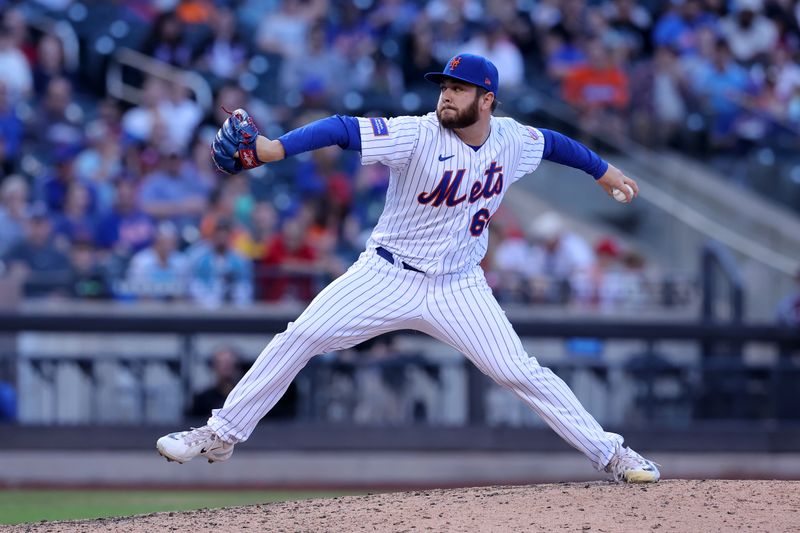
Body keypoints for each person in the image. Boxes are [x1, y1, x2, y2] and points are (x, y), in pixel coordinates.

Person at [157, 53, 659, 483]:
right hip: (386, 275)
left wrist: (605, 171)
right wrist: (273, 149)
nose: (446, 95)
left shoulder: (511, 139)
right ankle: (219, 434)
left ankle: (613, 455)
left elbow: (555, 143)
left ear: (487, 100)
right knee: (300, 336)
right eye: (444, 86)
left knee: (519, 372)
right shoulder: (415, 135)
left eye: (458, 89)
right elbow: (340, 129)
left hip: (460, 286)